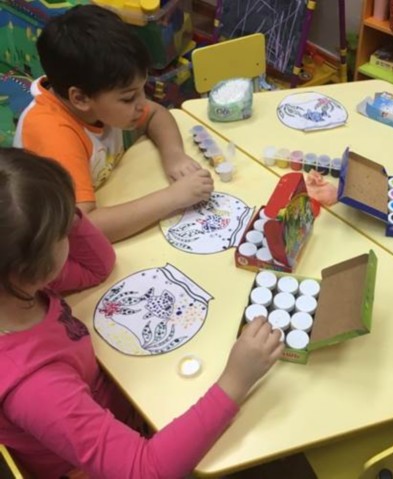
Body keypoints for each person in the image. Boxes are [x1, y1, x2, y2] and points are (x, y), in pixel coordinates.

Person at [0, 148, 284, 477]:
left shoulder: (15, 285)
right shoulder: (33, 386)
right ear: (30, 267)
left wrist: (59, 212)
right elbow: (144, 470)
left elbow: (97, 267)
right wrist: (236, 380)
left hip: (118, 396)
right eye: (64, 234)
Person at [13, 4, 213, 243]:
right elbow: (83, 229)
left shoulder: (100, 97)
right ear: (80, 98)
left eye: (142, 89)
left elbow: (156, 114)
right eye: (129, 97)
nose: (142, 103)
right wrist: (173, 197)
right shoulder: (54, 134)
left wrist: (174, 156)